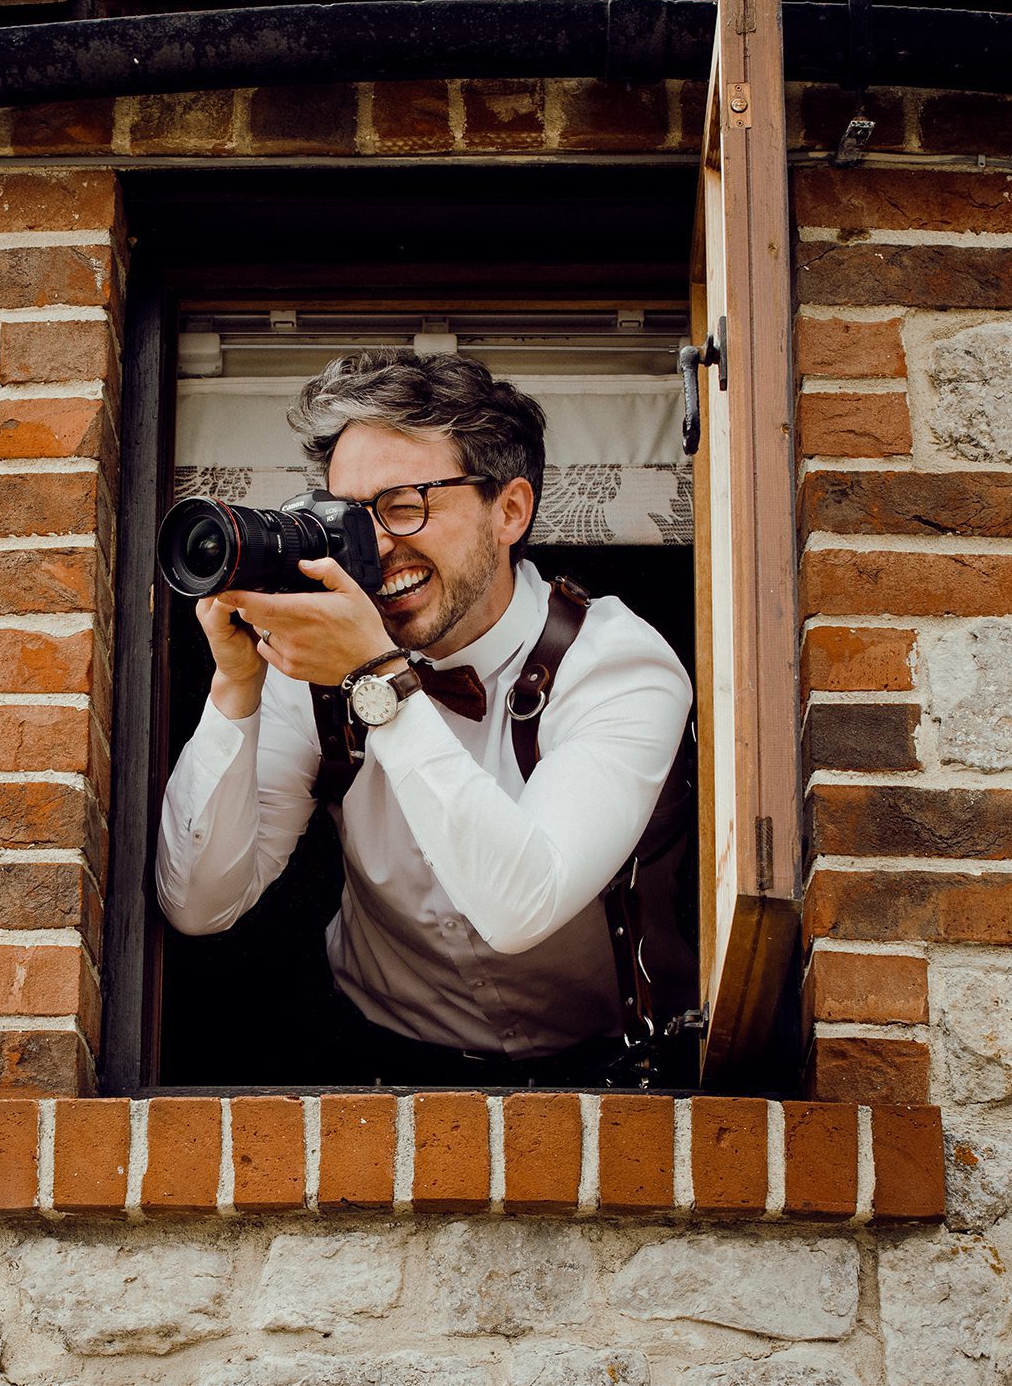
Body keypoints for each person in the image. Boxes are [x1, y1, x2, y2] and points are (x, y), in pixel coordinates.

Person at [154, 349, 694, 1087]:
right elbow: (196, 904)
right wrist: (237, 682)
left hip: (614, 1071)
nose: (371, 548)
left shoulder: (617, 665)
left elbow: (519, 906)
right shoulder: (313, 666)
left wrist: (382, 679)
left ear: (510, 510)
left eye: (404, 504)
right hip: (369, 1053)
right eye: (349, 515)